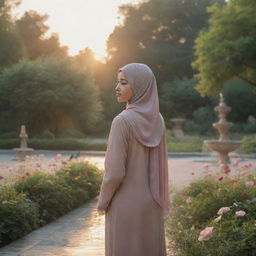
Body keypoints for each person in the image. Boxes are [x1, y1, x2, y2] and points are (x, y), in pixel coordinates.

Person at [97, 63, 170, 256]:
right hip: (153, 204)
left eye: (123, 83)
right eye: (117, 83)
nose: (117, 88)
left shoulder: (122, 121)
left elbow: (114, 173)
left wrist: (102, 201)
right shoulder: (158, 120)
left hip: (124, 206)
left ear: (140, 86)